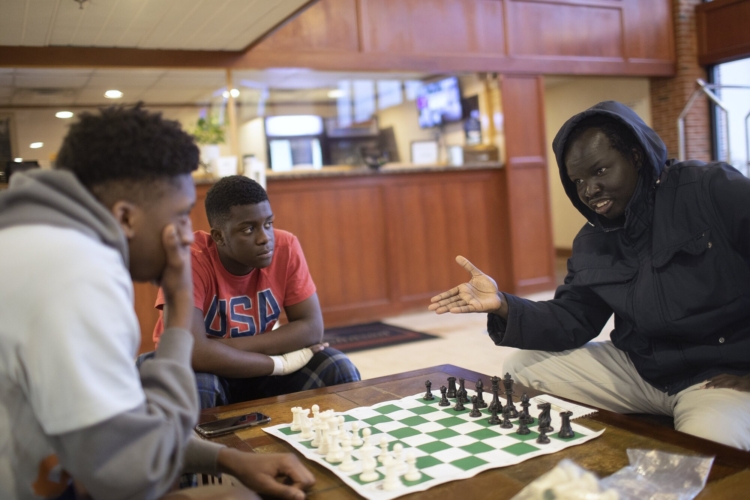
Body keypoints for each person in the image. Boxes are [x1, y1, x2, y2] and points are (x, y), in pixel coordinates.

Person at [0, 105, 315, 500]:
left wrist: (228, 460)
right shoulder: (76, 274)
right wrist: (181, 308)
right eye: (181, 215)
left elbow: (119, 431)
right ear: (126, 218)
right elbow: (134, 473)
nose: (187, 235)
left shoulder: (36, 239)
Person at [429, 101, 750, 450]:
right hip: (643, 369)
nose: (589, 189)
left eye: (600, 171)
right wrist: (504, 305)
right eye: (578, 180)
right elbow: (573, 319)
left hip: (719, 377)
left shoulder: (712, 189)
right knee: (522, 367)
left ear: (636, 156)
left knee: (703, 459)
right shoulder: (593, 239)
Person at [150, 175, 360, 409]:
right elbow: (193, 354)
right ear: (219, 236)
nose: (265, 238)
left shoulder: (285, 246)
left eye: (268, 224)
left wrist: (214, 348)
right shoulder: (188, 260)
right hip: (201, 369)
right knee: (197, 387)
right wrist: (280, 364)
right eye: (249, 229)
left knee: (337, 367)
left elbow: (311, 328)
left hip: (253, 364)